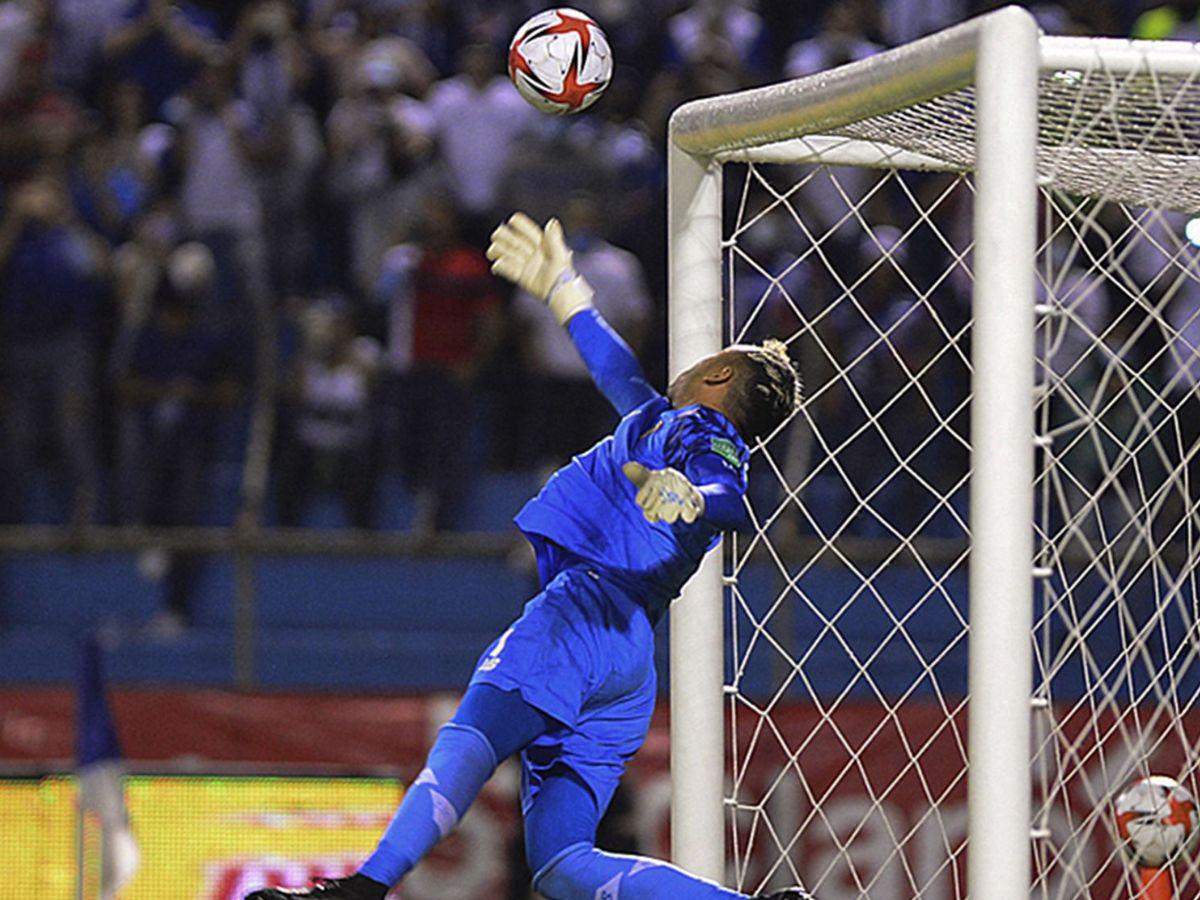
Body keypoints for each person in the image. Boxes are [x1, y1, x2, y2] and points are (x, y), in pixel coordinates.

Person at [244, 213, 809, 900]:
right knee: (562, 864)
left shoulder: (705, 433)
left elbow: (727, 496)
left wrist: (689, 497)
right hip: (627, 663)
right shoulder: (663, 423)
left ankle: (364, 889)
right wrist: (567, 295)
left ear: (719, 373)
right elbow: (617, 373)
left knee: (472, 736)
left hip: (581, 617)